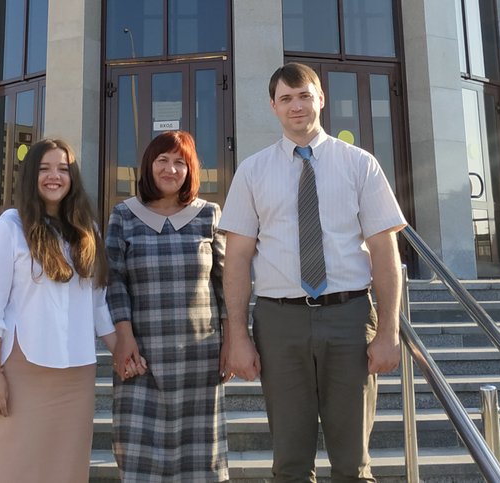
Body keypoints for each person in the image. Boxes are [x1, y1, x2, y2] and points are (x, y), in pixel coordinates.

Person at [218, 63, 407, 482]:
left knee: (352, 464)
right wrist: (238, 335)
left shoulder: (360, 165)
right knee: (289, 464)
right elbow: (237, 259)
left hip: (349, 317)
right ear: (273, 107)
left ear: (320, 98)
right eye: (286, 98)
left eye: (304, 95)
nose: (296, 106)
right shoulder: (252, 171)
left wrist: (389, 329)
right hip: (279, 322)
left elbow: (383, 250)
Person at [0, 138, 137, 483]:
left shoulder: (86, 231)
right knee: (16, 470)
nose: (54, 176)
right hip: (22, 370)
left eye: (63, 169)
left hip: (76, 374)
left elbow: (97, 303)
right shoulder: (8, 229)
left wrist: (120, 349)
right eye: (45, 168)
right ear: (30, 175)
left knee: (67, 471)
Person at [105, 130, 230, 482]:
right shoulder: (124, 215)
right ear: (148, 166)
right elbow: (113, 282)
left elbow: (226, 284)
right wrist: (123, 339)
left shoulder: (209, 215)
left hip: (200, 358)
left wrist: (233, 339)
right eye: (162, 160)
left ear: (191, 170)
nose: (170, 169)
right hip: (142, 356)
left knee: (201, 460)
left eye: (180, 162)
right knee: (142, 459)